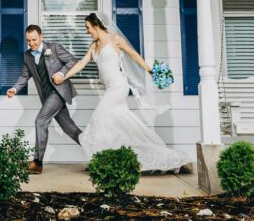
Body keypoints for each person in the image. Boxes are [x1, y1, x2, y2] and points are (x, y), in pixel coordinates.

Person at [55, 12, 190, 173]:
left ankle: (101, 160)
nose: (87, 31)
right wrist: (64, 76)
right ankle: (152, 157)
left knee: (99, 118)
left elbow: (133, 55)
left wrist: (150, 71)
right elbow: (81, 64)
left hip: (119, 87)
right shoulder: (93, 46)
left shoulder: (115, 40)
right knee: (122, 125)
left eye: (88, 27)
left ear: (96, 25)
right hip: (110, 88)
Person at [6, 24, 82, 173]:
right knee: (69, 128)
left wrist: (61, 73)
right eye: (28, 41)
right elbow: (24, 75)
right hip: (47, 97)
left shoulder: (53, 48)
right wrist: (14, 89)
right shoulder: (27, 55)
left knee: (40, 121)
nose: (32, 43)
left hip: (58, 93)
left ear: (41, 37)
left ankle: (37, 162)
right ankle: (97, 152)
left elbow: (72, 61)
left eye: (34, 39)